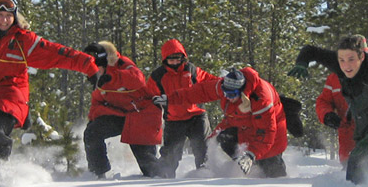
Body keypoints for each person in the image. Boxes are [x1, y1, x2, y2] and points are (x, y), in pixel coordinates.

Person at [0, 0, 99, 160]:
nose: (4, 20)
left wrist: (90, 67)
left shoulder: (23, 41)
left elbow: (58, 53)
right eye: (0, 15)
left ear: (15, 17)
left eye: (9, 16)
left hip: (9, 97)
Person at [289, 35, 368, 184]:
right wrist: (302, 62)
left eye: (351, 59)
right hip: (365, 125)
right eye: (342, 60)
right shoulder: (341, 64)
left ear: (362, 57)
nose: (346, 65)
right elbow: (310, 50)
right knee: (355, 170)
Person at [154, 67, 288, 178]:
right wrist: (171, 99)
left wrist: (251, 155)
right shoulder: (226, 85)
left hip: (271, 134)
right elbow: (199, 92)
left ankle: (276, 181)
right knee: (224, 138)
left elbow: (266, 132)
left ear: (242, 92)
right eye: (226, 93)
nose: (228, 97)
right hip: (242, 126)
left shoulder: (261, 99)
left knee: (271, 167)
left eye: (232, 95)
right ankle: (245, 170)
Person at [82, 41, 163, 179]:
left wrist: (112, 78)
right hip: (120, 116)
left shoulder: (123, 64)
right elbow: (97, 103)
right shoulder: (98, 78)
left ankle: (163, 180)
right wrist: (95, 119)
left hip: (141, 117)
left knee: (150, 168)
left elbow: (138, 79)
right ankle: (97, 173)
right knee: (92, 132)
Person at [146, 39, 219, 178]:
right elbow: (149, 96)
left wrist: (227, 83)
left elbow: (212, 82)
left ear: (183, 57)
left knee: (203, 149)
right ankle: (162, 180)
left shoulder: (192, 70)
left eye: (177, 58)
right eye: (171, 59)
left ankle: (207, 178)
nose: (175, 62)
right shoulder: (157, 76)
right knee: (169, 154)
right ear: (165, 59)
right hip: (174, 119)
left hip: (197, 116)